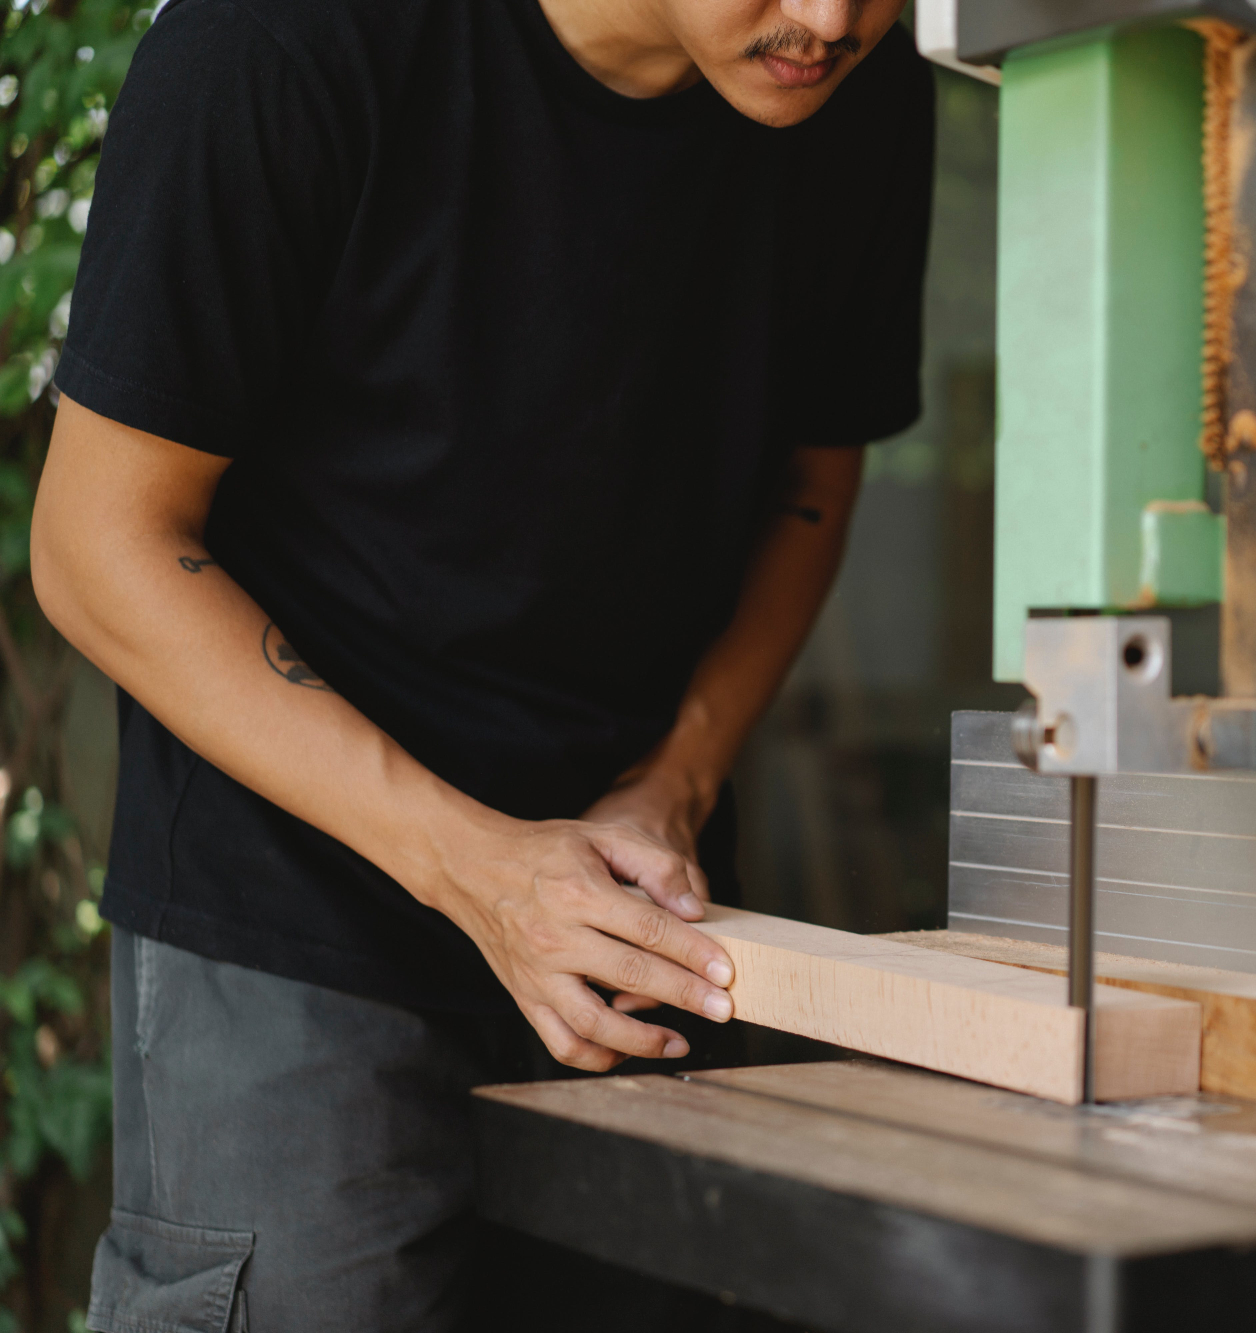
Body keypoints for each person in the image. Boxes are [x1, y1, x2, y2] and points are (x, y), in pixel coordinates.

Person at [29, 0, 932, 1325]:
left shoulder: (850, 77)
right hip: (297, 920)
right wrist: (480, 868)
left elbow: (814, 470)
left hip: (635, 921)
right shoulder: (281, 44)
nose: (828, 17)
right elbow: (94, 547)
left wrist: (675, 779)